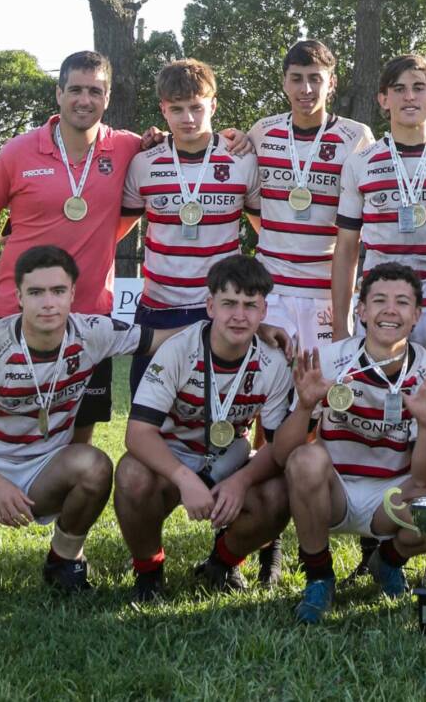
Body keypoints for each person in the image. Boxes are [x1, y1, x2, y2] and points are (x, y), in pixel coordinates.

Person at [0, 245, 178, 594]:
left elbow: (160, 340)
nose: (48, 302)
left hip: (46, 467)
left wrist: (233, 327)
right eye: (36, 292)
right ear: (19, 297)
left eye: (58, 291)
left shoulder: (91, 332)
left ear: (72, 294)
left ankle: (63, 561)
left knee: (95, 467)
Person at [0, 51, 143, 444]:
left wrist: (235, 138)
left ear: (107, 97)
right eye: (75, 89)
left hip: (89, 322)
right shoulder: (20, 151)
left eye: (95, 91)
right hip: (13, 315)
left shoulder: (129, 148)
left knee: (79, 446)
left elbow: (183, 147)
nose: (84, 100)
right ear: (58, 94)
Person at [268, 262, 426, 624]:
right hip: (332, 492)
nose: (390, 310)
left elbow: (425, 476)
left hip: (390, 498)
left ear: (416, 315)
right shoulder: (331, 359)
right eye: (379, 300)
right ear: (361, 311)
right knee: (305, 460)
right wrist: (304, 405)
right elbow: (282, 455)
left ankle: (388, 562)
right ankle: (319, 577)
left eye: (402, 302)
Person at [114, 255, 294, 602]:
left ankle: (221, 563)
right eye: (229, 303)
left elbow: (278, 447)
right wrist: (184, 479)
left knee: (278, 493)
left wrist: (242, 482)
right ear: (210, 305)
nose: (239, 315)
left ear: (263, 312)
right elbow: (137, 433)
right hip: (174, 454)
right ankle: (149, 572)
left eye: (249, 305)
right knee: (132, 474)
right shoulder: (178, 348)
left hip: (230, 457)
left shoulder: (273, 362)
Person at [331, 54, 426, 413]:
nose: (409, 97)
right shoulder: (360, 163)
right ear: (383, 100)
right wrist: (341, 330)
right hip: (382, 305)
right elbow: (346, 250)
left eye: (419, 88)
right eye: (398, 89)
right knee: (379, 412)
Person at [122, 59, 260, 395]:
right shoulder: (143, 162)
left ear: (212, 105)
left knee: (218, 409)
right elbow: (119, 228)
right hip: (157, 308)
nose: (187, 118)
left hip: (218, 308)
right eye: (177, 109)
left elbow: (264, 228)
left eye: (196, 108)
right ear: (163, 110)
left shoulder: (242, 158)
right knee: (148, 410)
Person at [248, 40, 375, 350]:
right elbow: (252, 204)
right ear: (284, 82)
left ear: (331, 82)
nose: (306, 88)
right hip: (270, 290)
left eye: (315, 78)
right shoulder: (262, 132)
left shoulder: (356, 136)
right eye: (297, 78)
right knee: (267, 391)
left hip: (325, 293)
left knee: (322, 393)